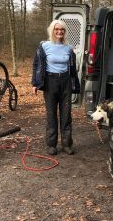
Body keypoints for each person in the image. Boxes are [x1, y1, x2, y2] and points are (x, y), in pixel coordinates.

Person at [32, 20, 76, 155]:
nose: (59, 32)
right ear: (52, 30)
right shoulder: (44, 46)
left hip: (65, 81)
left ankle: (66, 144)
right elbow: (36, 65)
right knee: (51, 115)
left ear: (64, 32)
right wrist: (35, 83)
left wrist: (75, 83)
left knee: (66, 115)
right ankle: (51, 145)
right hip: (50, 82)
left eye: (62, 30)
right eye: (57, 29)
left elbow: (73, 67)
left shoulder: (69, 48)